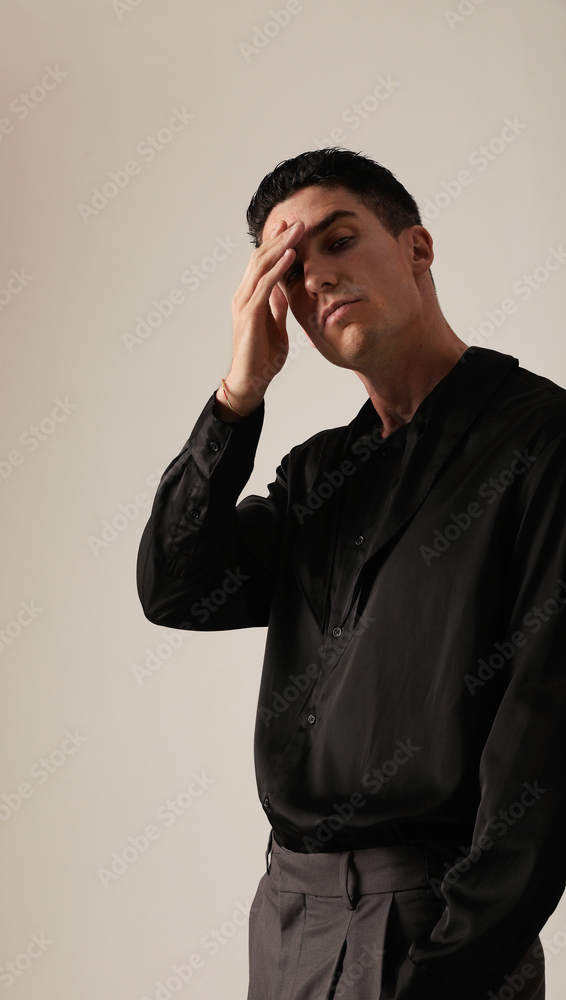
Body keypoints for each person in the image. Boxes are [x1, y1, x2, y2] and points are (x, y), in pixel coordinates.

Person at [136, 148, 566, 999]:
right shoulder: (318, 475)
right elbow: (177, 587)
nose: (319, 279)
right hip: (289, 913)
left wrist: (450, 969)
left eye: (340, 241)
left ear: (416, 248)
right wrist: (237, 395)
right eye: (291, 271)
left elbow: (544, 743)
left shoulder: (540, 443)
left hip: (436, 928)